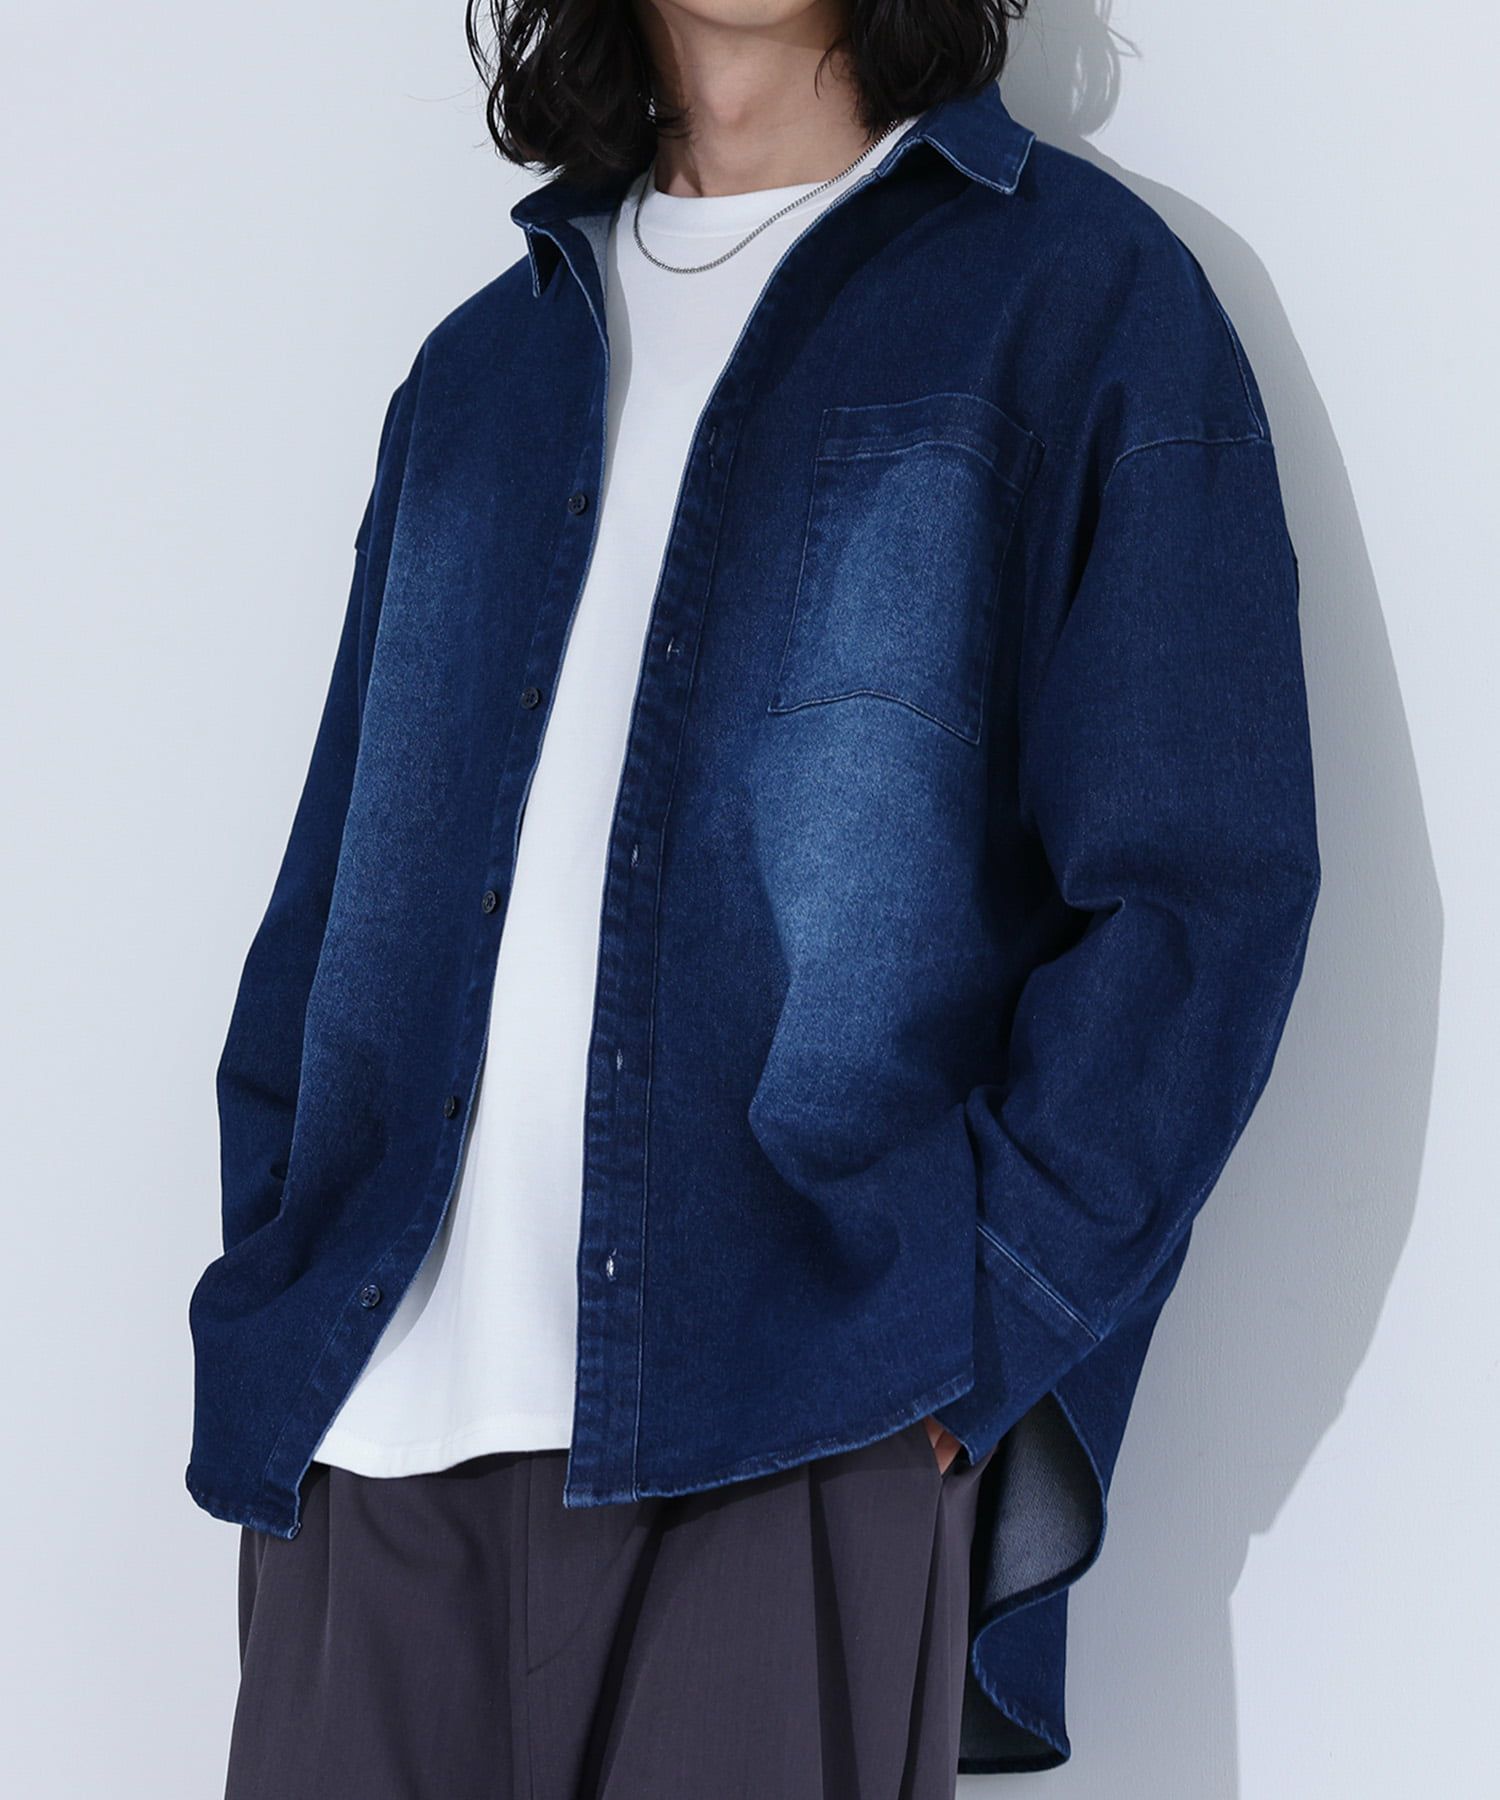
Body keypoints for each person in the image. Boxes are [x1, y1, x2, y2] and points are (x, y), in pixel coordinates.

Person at [186, 1, 1321, 1793]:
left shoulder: (1075, 302)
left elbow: (1202, 896)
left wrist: (952, 1356)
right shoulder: (480, 374)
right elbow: (328, 903)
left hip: (793, 1431)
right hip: (370, 1449)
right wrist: (282, 1272)